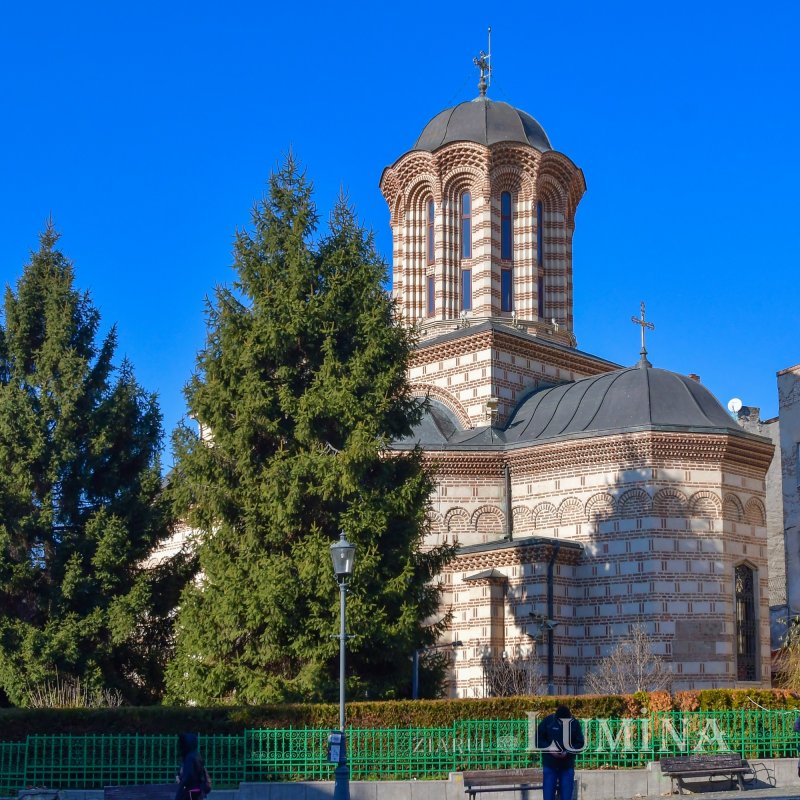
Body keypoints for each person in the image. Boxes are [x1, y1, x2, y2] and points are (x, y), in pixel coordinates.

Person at [537, 705, 584, 800]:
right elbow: (537, 739)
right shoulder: (548, 721)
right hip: (550, 765)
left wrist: (568, 752)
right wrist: (549, 748)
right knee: (548, 796)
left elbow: (580, 743)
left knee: (567, 797)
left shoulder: (574, 723)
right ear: (557, 718)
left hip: (567, 765)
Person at [175, 732, 209, 800]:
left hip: (189, 792)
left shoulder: (189, 757)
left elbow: (188, 776)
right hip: (196, 791)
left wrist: (181, 782)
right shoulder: (197, 755)